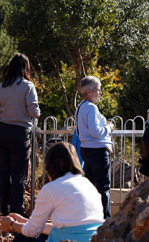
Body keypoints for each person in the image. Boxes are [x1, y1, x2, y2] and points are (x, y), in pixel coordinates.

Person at [0, 142, 104, 242]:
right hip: (95, 238)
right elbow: (66, 228)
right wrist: (24, 221)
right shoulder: (88, 184)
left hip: (70, 240)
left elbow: (32, 231)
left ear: (50, 166)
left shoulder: (51, 188)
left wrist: (11, 225)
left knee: (21, 239)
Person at [0, 54, 40, 216]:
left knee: (4, 173)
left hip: (2, 130)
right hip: (20, 132)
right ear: (25, 68)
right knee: (19, 174)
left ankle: (4, 211)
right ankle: (17, 213)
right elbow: (34, 112)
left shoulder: (2, 86)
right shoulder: (27, 86)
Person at [76, 76, 114, 218]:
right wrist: (109, 127)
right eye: (98, 90)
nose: (100, 93)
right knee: (103, 187)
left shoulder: (80, 107)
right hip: (97, 150)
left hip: (86, 148)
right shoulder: (91, 108)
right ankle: (106, 219)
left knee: (91, 187)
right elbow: (96, 132)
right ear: (89, 92)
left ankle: (90, 216)